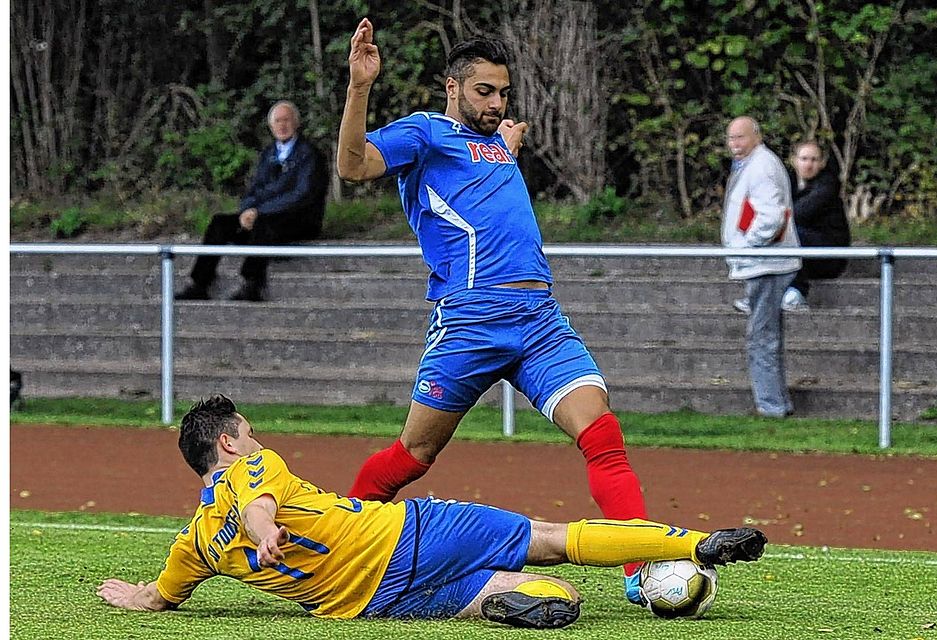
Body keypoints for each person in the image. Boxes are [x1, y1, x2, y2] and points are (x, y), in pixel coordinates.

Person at [335, 19, 652, 603]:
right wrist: (360, 87)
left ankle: (643, 569)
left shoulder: (494, 144)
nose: (496, 102)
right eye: (484, 91)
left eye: (504, 92)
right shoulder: (425, 133)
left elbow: (482, 187)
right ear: (452, 88)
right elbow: (352, 167)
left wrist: (503, 148)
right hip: (470, 321)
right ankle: (338, 538)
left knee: (602, 433)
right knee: (414, 455)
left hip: (539, 317)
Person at [96, 395, 768, 629]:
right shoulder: (251, 467)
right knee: (553, 540)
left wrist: (130, 595)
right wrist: (266, 528)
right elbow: (258, 505)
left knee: (559, 597)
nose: (260, 439)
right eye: (251, 429)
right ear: (228, 440)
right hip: (410, 531)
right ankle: (697, 545)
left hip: (371, 603)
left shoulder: (192, 544)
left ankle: (509, 605)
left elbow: (160, 596)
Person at [175, 100, 327, 302]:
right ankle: (199, 283)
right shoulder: (268, 154)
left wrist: (260, 212)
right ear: (271, 126)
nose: (282, 125)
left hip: (298, 221)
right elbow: (254, 189)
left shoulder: (310, 155)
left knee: (264, 225)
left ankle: (252, 284)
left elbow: (301, 194)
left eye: (286, 120)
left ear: (296, 123)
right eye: (278, 121)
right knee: (220, 223)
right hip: (263, 217)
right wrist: (247, 209)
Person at [721, 116, 800, 418]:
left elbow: (771, 216)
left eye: (740, 137)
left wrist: (745, 246)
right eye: (731, 138)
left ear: (756, 136)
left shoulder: (762, 167)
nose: (735, 145)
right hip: (764, 262)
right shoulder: (755, 165)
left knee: (761, 338)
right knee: (766, 336)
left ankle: (771, 406)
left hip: (766, 264)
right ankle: (777, 402)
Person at [781, 140, 851, 310]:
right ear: (794, 160)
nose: (808, 164)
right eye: (804, 159)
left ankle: (796, 292)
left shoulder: (828, 184)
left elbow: (799, 214)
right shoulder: (786, 182)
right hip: (803, 253)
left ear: (822, 163)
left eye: (814, 159)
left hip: (829, 255)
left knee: (789, 234)